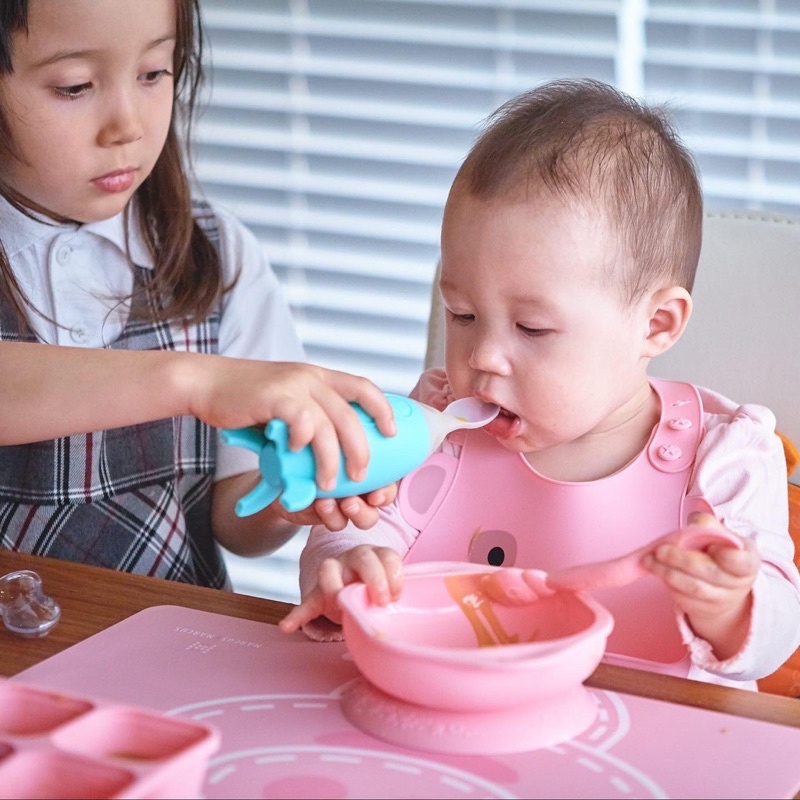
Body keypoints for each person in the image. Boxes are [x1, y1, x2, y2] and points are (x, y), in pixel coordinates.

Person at [280, 78, 800, 689]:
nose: (485, 356)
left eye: (532, 327)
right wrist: (347, 568)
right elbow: (348, 529)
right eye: (463, 315)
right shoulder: (435, 429)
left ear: (655, 325)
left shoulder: (724, 458)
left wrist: (730, 605)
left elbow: (776, 636)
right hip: (461, 724)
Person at [0, 0, 397, 588]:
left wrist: (290, 492)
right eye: (75, 85)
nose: (127, 126)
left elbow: (236, 521)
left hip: (172, 657)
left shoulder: (216, 256)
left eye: (154, 73)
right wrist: (199, 382)